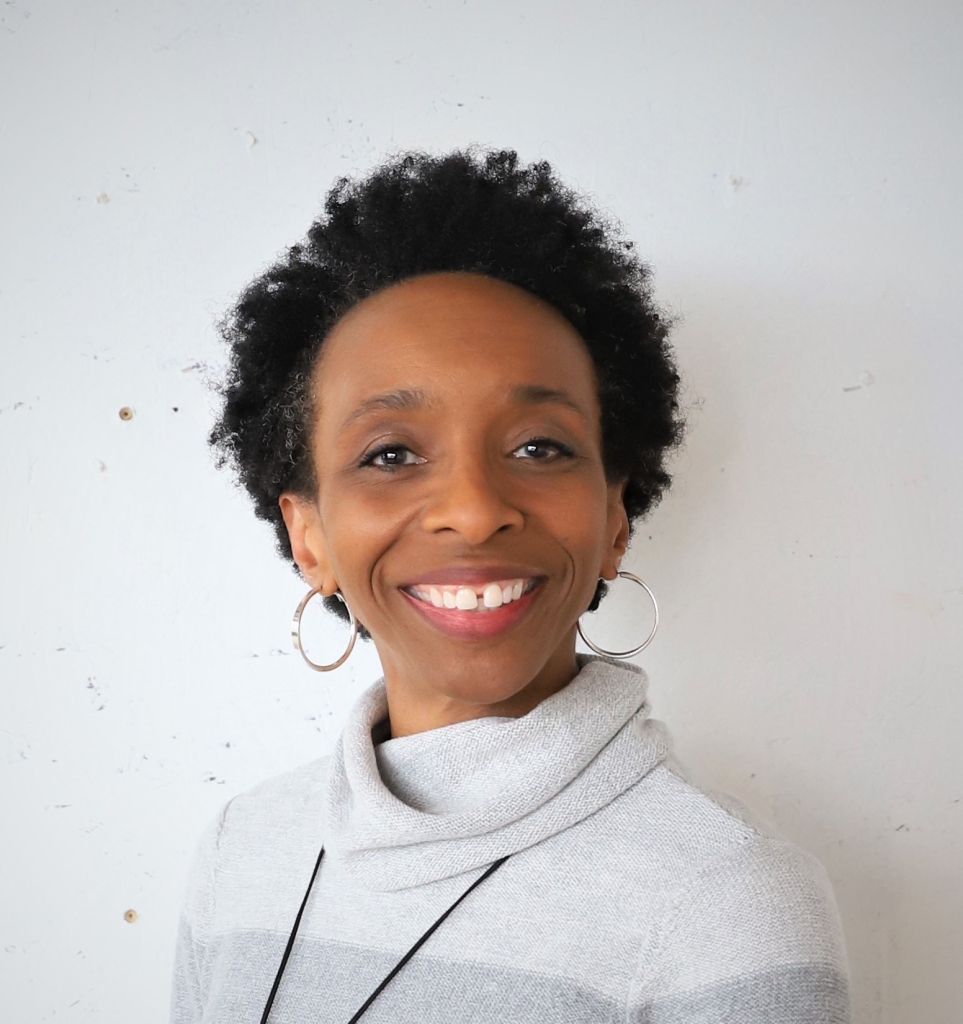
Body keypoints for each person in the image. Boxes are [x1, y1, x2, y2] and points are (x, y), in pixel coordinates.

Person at [171, 149, 851, 1023]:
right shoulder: (242, 850)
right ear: (310, 538)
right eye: (390, 454)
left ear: (614, 518)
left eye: (539, 446)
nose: (472, 508)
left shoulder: (727, 900)